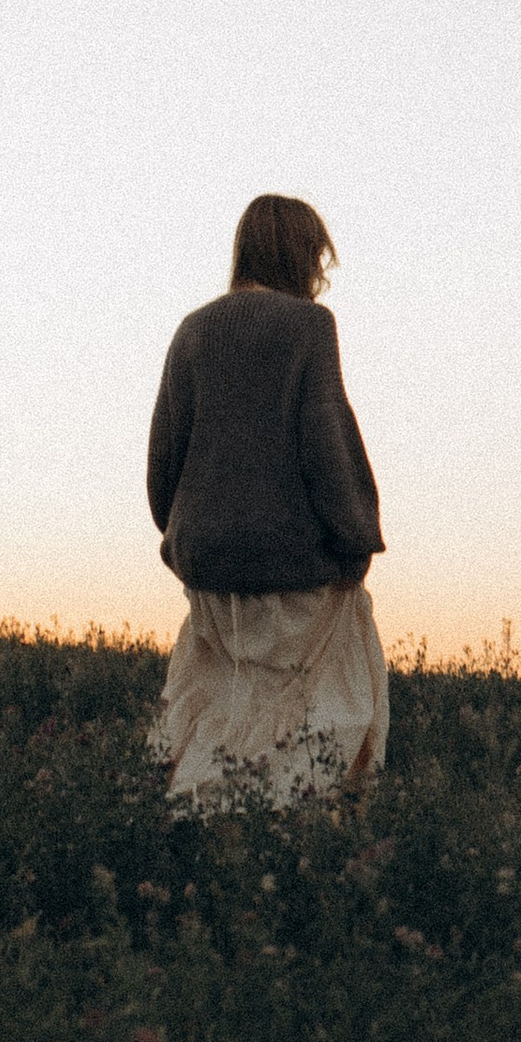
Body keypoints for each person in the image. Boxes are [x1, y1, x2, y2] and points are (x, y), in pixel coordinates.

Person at [144, 196, 388, 810]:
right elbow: (327, 447)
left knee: (214, 712)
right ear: (302, 257)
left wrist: (188, 535)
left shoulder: (193, 330)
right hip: (292, 564)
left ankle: (191, 831)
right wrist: (357, 539)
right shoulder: (310, 327)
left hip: (209, 569)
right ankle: (292, 838)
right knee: (342, 706)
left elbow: (162, 462)